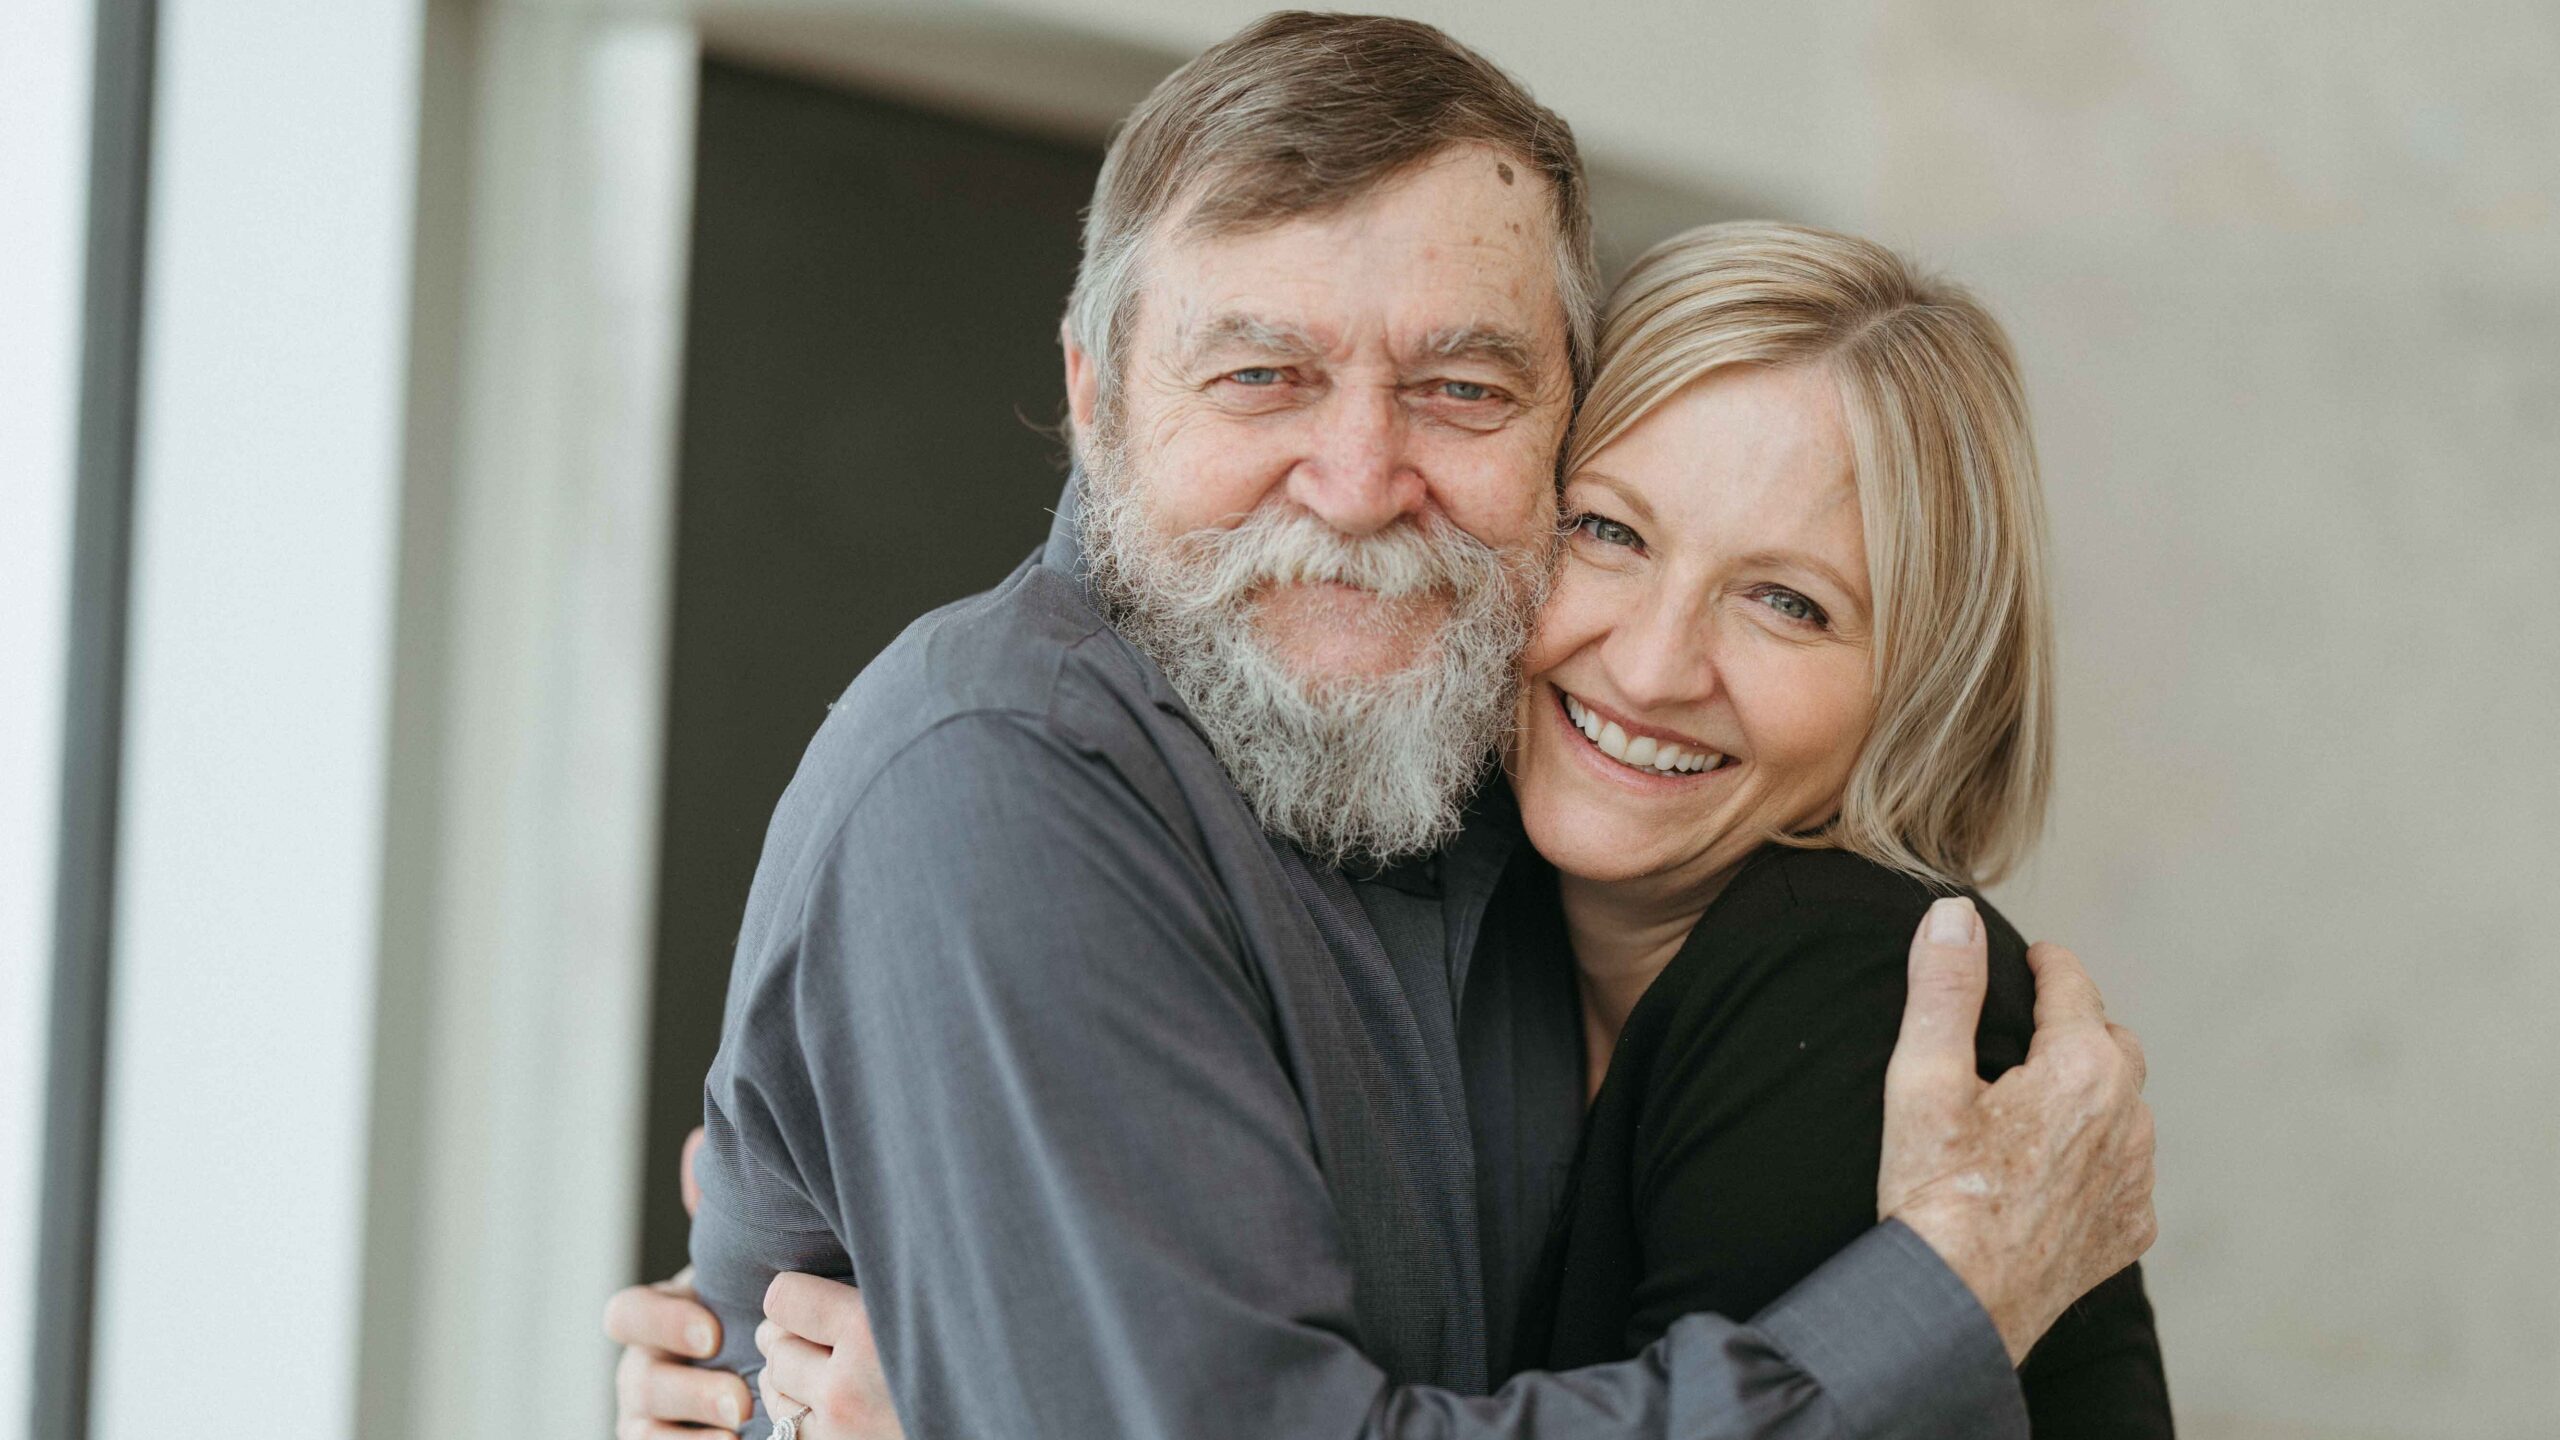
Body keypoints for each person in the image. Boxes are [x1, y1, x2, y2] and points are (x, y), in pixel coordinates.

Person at [605, 14, 2157, 1440]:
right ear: (1095, 395)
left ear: (1558, 413)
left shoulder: (1499, 792)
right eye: (1263, 374)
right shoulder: (1004, 785)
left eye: (1463, 389)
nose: (1359, 483)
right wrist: (1944, 1302)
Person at [1489, 222, 2172, 1431]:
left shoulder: (1849, 979)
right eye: (1607, 531)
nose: (1649, 670)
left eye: (1786, 603)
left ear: (1920, 685)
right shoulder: (1481, 927)